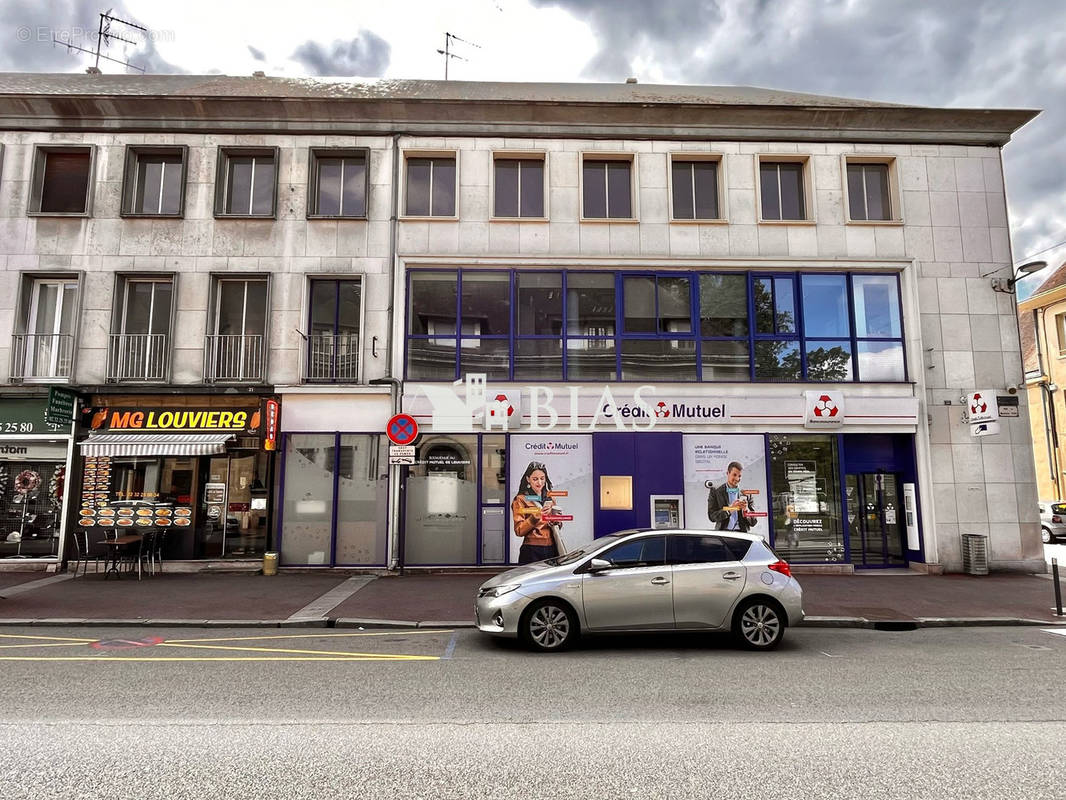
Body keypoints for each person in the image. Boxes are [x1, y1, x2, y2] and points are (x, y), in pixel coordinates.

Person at [512, 461, 562, 564]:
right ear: (528, 479)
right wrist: (536, 516)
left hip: (552, 548)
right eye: (535, 479)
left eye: (542, 478)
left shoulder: (550, 498)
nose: (539, 483)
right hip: (532, 550)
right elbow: (519, 530)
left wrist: (556, 519)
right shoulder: (521, 499)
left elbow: (558, 525)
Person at [707, 461, 757, 532]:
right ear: (727, 473)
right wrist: (730, 509)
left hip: (742, 536)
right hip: (723, 534)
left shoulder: (747, 493)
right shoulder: (716, 491)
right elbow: (711, 516)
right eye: (734, 475)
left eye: (739, 476)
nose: (737, 479)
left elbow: (753, 522)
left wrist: (746, 510)